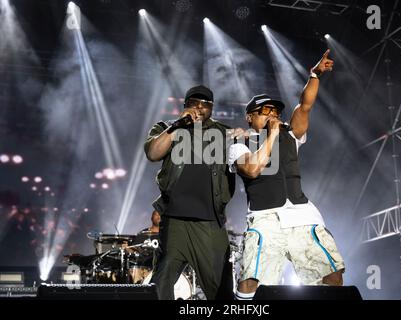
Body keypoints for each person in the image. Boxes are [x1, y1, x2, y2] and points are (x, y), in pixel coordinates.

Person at [228, 50, 345, 300]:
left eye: (275, 112)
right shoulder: (238, 146)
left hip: (302, 215)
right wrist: (270, 135)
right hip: (264, 219)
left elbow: (305, 106)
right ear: (250, 117)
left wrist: (314, 75)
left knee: (331, 277)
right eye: (265, 111)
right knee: (250, 282)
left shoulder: (291, 136)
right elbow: (252, 169)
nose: (273, 115)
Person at [144, 85, 236, 300]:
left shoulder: (224, 133)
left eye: (205, 104)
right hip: (174, 221)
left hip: (209, 222)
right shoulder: (167, 127)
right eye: (194, 103)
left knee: (221, 289)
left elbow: (251, 161)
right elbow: (153, 153)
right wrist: (177, 125)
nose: (199, 108)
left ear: (211, 108)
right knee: (160, 286)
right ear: (185, 106)